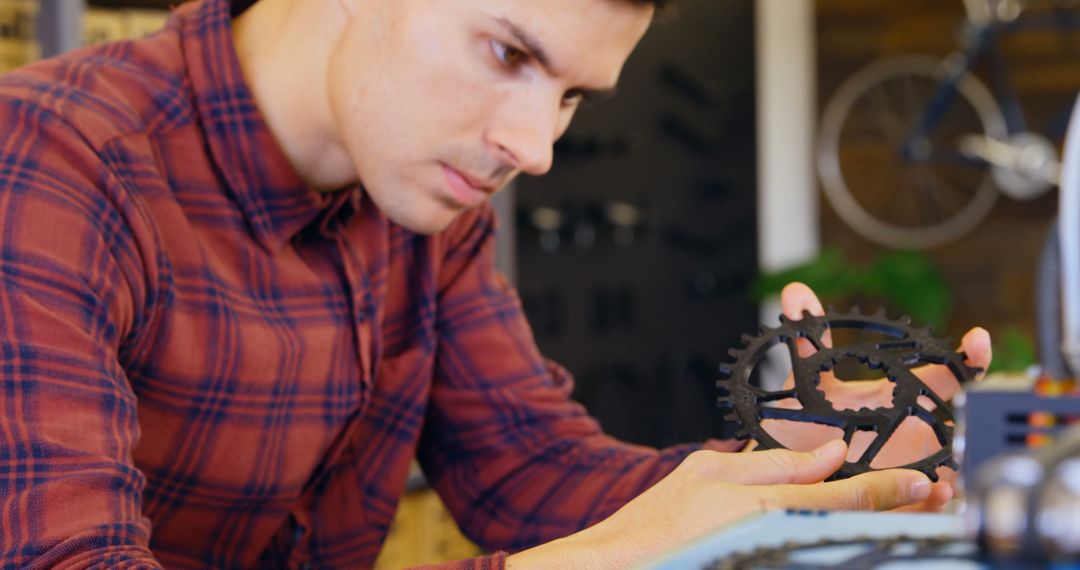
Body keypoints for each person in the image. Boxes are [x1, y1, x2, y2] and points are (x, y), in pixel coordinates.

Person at [0, 0, 991, 567]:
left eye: (567, 95)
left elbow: (531, 474)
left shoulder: (425, 206)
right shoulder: (47, 162)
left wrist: (787, 472)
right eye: (509, 52)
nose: (535, 146)